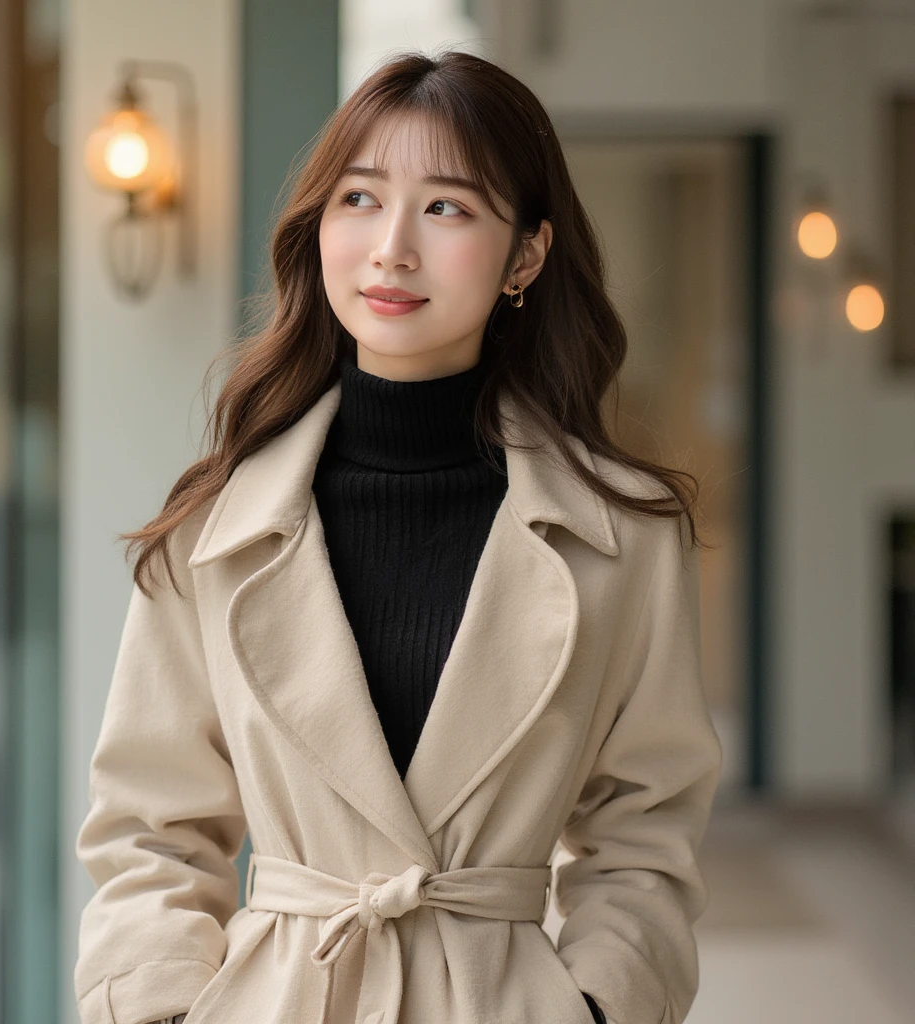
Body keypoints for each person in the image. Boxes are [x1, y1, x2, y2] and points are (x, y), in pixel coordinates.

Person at [73, 49, 722, 1024]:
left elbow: (644, 828)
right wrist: (161, 1010)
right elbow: (150, 832)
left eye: (447, 209)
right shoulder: (217, 525)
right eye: (360, 199)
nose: (391, 249)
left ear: (527, 256)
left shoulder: (620, 534)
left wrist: (598, 1006)